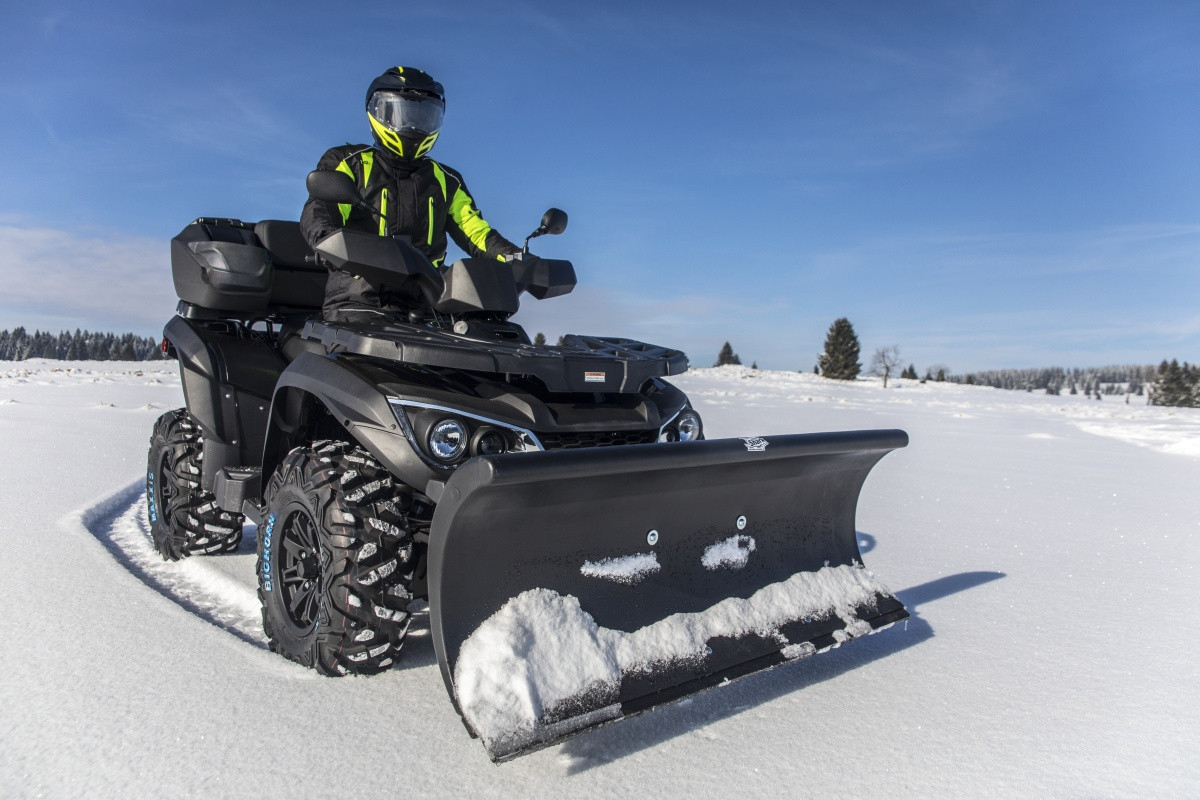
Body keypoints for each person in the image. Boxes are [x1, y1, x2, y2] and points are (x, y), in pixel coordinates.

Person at [300, 66, 521, 322]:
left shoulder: (446, 180)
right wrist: (327, 239)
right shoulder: (350, 163)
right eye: (402, 114)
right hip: (360, 301)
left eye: (423, 117)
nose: (412, 126)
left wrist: (517, 259)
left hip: (430, 305)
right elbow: (320, 209)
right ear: (377, 113)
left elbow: (476, 231)